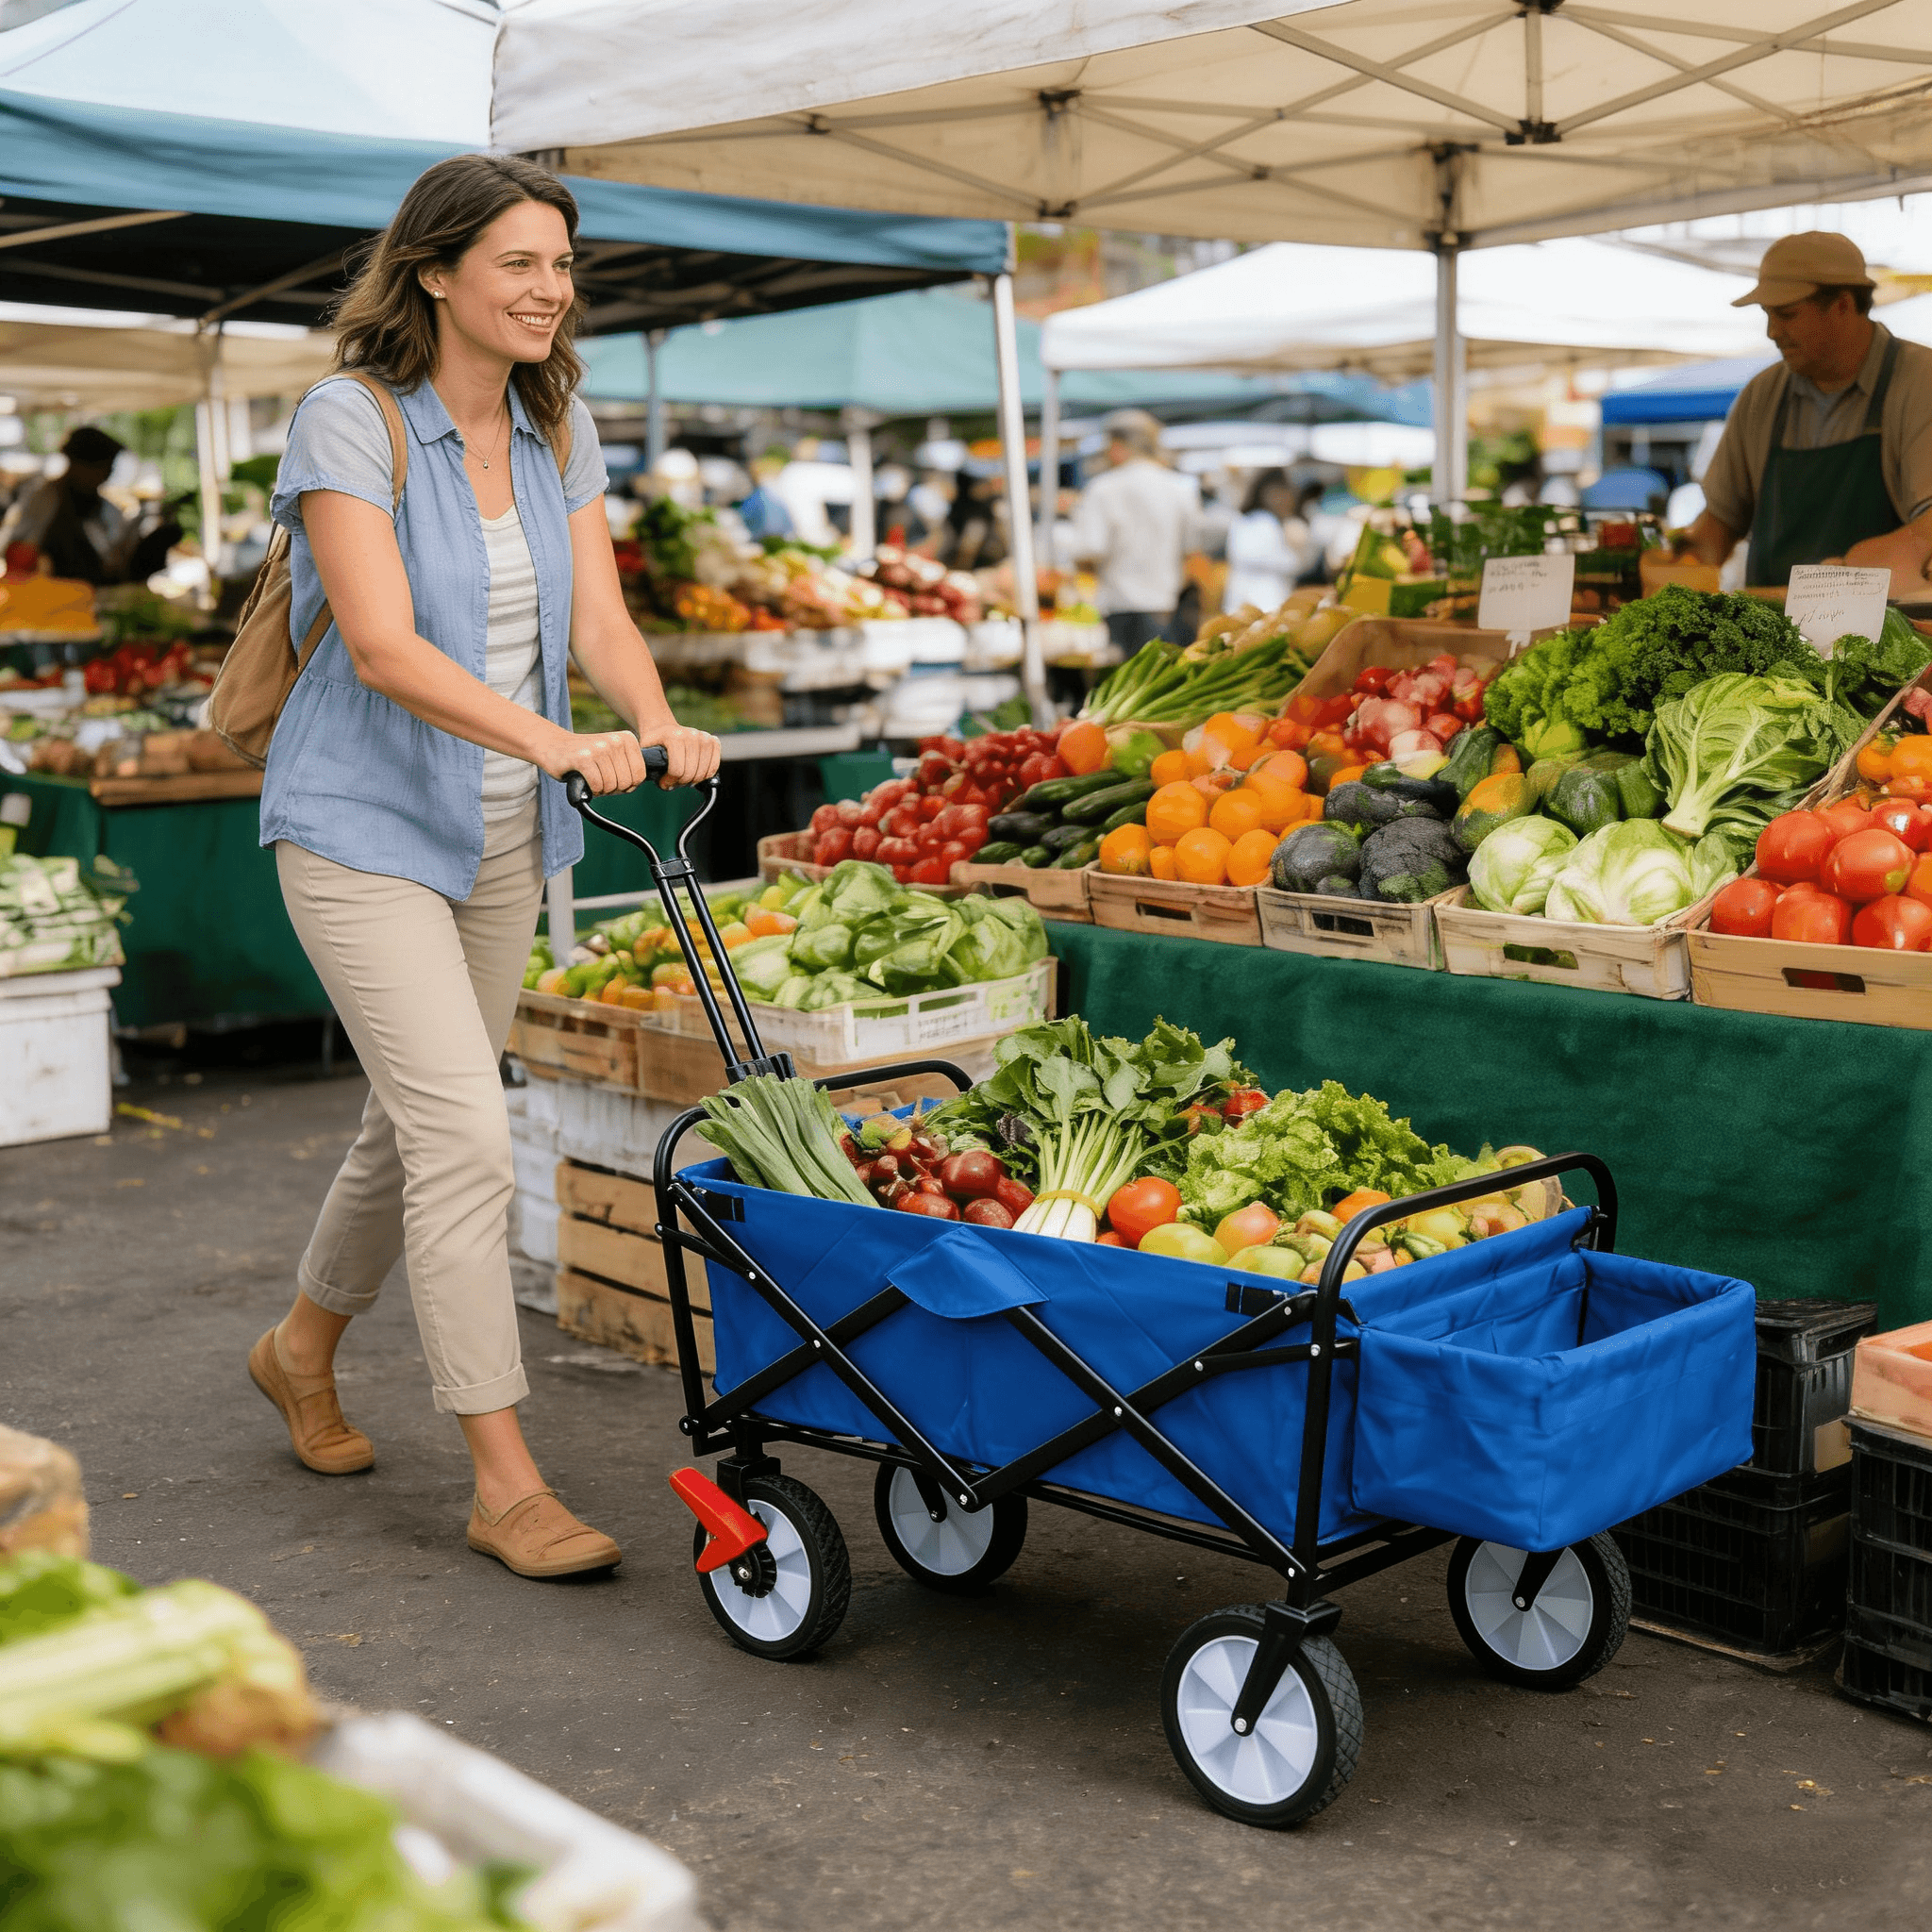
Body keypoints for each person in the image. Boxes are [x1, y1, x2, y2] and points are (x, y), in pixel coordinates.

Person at [249, 154, 721, 1581]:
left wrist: (652, 720)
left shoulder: (551, 419)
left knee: (412, 1119)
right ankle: (505, 1481)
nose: (549, 289)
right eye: (518, 262)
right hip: (359, 827)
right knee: (461, 1133)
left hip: (505, 831)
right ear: (435, 271)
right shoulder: (350, 418)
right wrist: (558, 741)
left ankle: (299, 1347)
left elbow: (600, 621)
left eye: (562, 265)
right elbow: (383, 645)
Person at [1677, 233, 1932, 592]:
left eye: (1786, 314)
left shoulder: (1920, 383)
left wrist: (1879, 559)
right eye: (1767, 315)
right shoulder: (1761, 396)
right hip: (1769, 622)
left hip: (1882, 623)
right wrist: (1677, 565)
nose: (1772, 332)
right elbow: (1717, 526)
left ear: (1843, 305)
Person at [1070, 409, 1198, 655]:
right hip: (1168, 606)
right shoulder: (1181, 487)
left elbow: (1090, 549)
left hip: (1119, 606)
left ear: (1117, 446)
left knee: (1126, 674)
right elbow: (1192, 550)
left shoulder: (1103, 487)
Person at [0, 426, 133, 583]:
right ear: (77, 463)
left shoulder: (106, 508)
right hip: (47, 590)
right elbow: (18, 550)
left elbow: (115, 560)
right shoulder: (43, 499)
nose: (107, 475)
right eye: (103, 467)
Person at [1223, 468, 1314, 612]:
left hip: (1261, 600)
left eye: (1286, 493)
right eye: (1277, 493)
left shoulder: (1272, 521)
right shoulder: (1262, 521)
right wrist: (1295, 555)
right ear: (1263, 493)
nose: (1282, 499)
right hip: (1262, 600)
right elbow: (1253, 556)